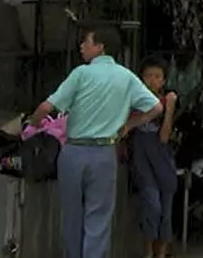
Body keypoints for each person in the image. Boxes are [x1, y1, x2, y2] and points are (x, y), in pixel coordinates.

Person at [31, 24, 163, 258]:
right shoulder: (126, 77)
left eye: (87, 42)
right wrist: (129, 126)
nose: (82, 46)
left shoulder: (81, 73)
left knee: (72, 215)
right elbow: (156, 107)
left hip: (73, 152)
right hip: (104, 154)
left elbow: (46, 107)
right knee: (98, 218)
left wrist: (35, 123)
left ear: (100, 47)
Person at [125, 58, 179, 258]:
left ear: (164, 81)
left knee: (165, 211)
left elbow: (164, 137)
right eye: (148, 76)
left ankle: (161, 253)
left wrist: (170, 109)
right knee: (152, 206)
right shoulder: (134, 103)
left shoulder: (165, 103)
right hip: (142, 163)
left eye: (157, 77)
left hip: (163, 163)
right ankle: (148, 252)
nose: (152, 80)